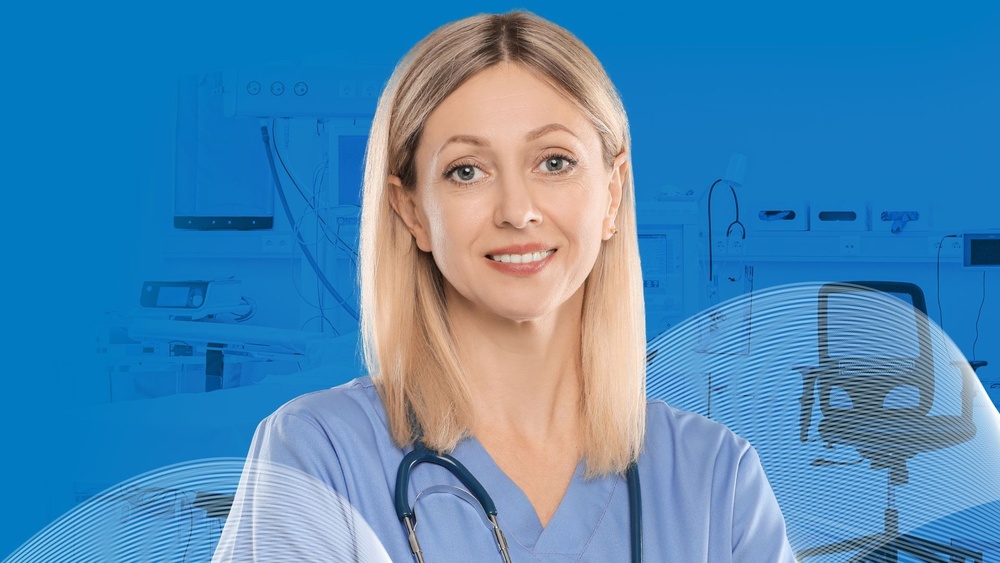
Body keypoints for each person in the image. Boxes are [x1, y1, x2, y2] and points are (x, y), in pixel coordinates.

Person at [215, 10, 794, 562]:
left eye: (555, 162)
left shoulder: (715, 479)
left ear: (613, 193)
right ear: (412, 210)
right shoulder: (321, 457)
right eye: (467, 171)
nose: (518, 211)